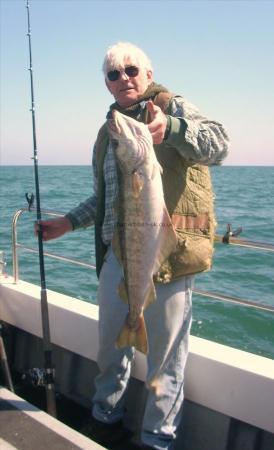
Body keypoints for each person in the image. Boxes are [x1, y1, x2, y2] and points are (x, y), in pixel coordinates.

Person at [39, 42, 229, 450]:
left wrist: (173, 130)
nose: (124, 78)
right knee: (110, 346)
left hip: (170, 259)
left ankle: (156, 439)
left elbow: (220, 144)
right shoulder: (109, 134)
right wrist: (67, 222)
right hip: (116, 257)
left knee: (166, 360)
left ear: (147, 73)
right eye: (113, 74)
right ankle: (105, 418)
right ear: (106, 85)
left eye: (131, 70)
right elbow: (105, 199)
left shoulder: (171, 108)